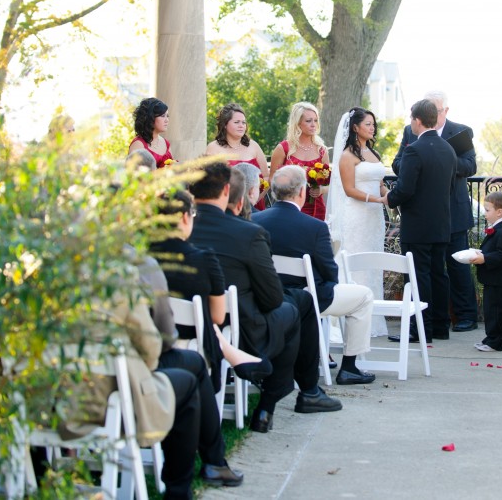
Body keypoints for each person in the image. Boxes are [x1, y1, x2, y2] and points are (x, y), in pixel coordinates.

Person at [57, 254, 243, 496]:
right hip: (105, 400)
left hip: (48, 404)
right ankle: (182, 487)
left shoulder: (38, 281)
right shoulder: (121, 275)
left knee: (189, 366)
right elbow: (154, 346)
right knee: (187, 380)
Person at [187, 163, 341, 433]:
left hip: (188, 322)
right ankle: (278, 399)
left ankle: (303, 391)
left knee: (295, 304)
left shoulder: (182, 230)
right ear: (227, 191)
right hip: (242, 327)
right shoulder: (247, 233)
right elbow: (271, 299)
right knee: (296, 307)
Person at [254, 165, 376, 385]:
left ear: (273, 192)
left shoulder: (256, 221)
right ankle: (349, 367)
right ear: (302, 192)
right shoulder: (315, 226)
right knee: (364, 296)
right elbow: (330, 270)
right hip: (309, 298)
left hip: (267, 297)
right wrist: (326, 283)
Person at [151, 189, 271, 393]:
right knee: (210, 318)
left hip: (153, 329)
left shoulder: (142, 256)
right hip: (191, 333)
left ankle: (230, 351)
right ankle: (230, 351)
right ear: (183, 217)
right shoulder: (203, 259)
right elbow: (216, 316)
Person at [392, 91, 478, 333]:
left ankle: (466, 316)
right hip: (424, 209)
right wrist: (418, 163)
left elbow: (470, 165)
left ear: (445, 111)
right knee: (433, 270)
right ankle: (437, 323)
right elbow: (397, 163)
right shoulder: (411, 134)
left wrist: (439, 162)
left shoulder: (461, 132)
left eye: (437, 109)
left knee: (456, 265)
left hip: (453, 209)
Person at [385, 99, 457, 343]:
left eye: (411, 120)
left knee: (417, 276)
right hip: (441, 223)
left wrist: (388, 198)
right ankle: (439, 327)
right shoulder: (448, 149)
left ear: (417, 120)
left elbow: (405, 189)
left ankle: (419, 330)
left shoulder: (414, 149)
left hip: (417, 224)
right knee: (439, 274)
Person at [324, 107, 389, 336]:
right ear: (355, 127)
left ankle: (373, 320)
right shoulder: (347, 156)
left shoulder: (373, 153)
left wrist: (387, 194)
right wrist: (377, 198)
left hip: (374, 218)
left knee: (373, 265)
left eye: (373, 124)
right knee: (355, 263)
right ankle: (346, 320)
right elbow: (350, 190)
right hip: (357, 216)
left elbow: (379, 181)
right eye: (368, 124)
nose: (372, 128)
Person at [470, 191, 502, 352]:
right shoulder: (496, 229)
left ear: (499, 212)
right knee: (490, 311)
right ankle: (490, 338)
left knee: (497, 311)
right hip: (491, 279)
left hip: (498, 279)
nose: (485, 213)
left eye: (488, 209)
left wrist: (485, 258)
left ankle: (497, 341)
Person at [270, 102, 329, 220]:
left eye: (316, 120)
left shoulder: (322, 150)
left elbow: (329, 184)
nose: (314, 125)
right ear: (298, 123)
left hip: (316, 209)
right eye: (308, 121)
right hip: (289, 208)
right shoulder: (283, 148)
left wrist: (321, 189)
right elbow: (272, 180)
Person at [204, 103, 269, 210]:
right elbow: (209, 180)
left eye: (244, 122)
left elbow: (266, 177)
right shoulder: (213, 148)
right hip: (226, 207)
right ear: (225, 124)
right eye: (236, 122)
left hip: (254, 206)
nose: (241, 125)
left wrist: (255, 200)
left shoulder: (254, 146)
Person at [128, 98, 175, 167]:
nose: (167, 120)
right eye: (162, 116)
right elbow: (133, 174)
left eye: (167, 116)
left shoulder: (166, 143)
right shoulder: (138, 144)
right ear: (150, 118)